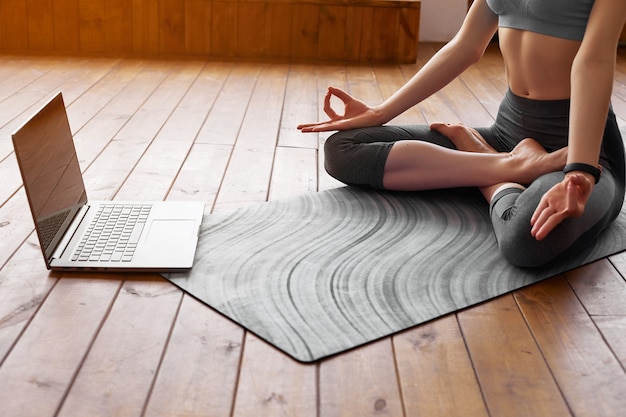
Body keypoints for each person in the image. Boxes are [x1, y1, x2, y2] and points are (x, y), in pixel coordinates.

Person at [298, 0, 626, 267]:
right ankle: (511, 166)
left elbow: (594, 60)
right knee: (344, 149)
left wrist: (581, 170)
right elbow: (466, 46)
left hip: (577, 148)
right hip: (508, 131)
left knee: (527, 241)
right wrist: (380, 113)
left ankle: (493, 164)